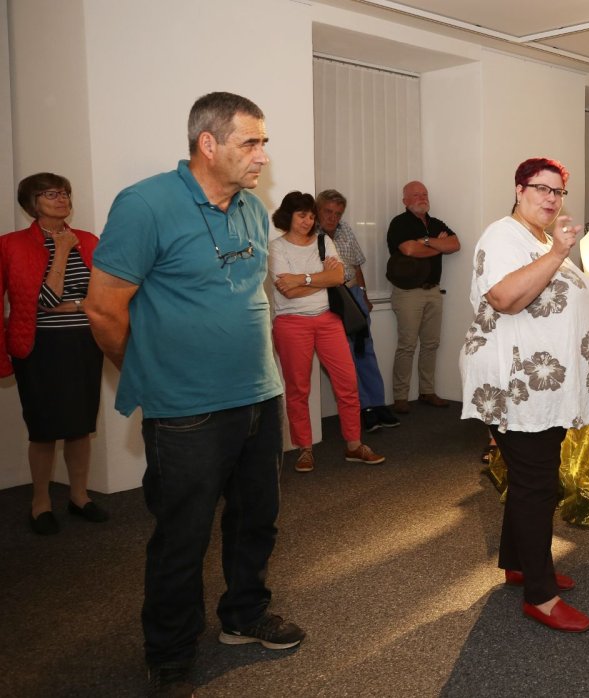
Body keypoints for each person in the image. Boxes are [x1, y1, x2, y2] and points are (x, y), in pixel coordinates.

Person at [86, 92, 304, 696]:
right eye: (250, 142)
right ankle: (170, 648)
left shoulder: (253, 207)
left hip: (258, 395)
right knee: (183, 536)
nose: (263, 155)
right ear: (208, 143)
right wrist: (148, 373)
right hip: (187, 409)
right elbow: (103, 309)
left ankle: (244, 616)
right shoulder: (145, 204)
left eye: (264, 142)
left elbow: (246, 293)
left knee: (257, 520)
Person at [460, 157, 589, 633]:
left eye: (557, 191)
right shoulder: (502, 236)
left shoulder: (542, 240)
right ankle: (540, 597)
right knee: (536, 485)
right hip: (517, 387)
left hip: (541, 387)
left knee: (532, 479)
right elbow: (505, 299)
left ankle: (519, 564)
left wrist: (555, 251)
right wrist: (559, 253)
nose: (550, 198)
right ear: (519, 189)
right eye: (540, 188)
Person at [1, 173, 107, 535]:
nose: (61, 199)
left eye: (64, 193)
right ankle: (40, 502)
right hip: (39, 348)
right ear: (32, 203)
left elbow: (102, 296)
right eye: (51, 194)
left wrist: (75, 305)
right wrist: (61, 250)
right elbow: (46, 301)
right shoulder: (11, 245)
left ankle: (79, 497)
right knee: (44, 430)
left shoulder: (89, 241)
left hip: (83, 344)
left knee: (80, 427)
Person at [270, 191, 386, 471]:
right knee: (298, 389)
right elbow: (286, 290)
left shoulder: (325, 241)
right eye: (302, 215)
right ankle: (304, 449)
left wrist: (302, 279)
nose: (308, 221)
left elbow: (338, 276)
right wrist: (321, 279)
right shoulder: (277, 248)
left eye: (311, 216)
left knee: (347, 384)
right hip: (291, 323)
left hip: (328, 320)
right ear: (288, 216)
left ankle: (354, 445)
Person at [314, 189, 401, 433]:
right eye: (328, 212)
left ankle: (378, 403)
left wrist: (363, 294)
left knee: (365, 351)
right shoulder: (311, 235)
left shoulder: (345, 230)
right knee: (346, 356)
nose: (333, 217)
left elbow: (355, 265)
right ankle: (364, 408)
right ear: (318, 211)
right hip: (329, 299)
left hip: (353, 296)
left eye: (338, 213)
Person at [386, 180, 459, 413]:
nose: (422, 198)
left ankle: (427, 391)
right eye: (416, 195)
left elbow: (455, 244)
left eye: (424, 194)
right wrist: (439, 245)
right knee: (407, 346)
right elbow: (408, 249)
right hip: (408, 293)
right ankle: (400, 397)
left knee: (431, 344)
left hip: (434, 291)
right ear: (405, 200)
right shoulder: (399, 223)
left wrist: (426, 242)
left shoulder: (435, 223)